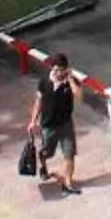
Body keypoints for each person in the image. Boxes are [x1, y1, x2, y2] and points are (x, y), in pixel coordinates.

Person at [35, 56, 80, 192]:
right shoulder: (44, 82)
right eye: (56, 70)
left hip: (66, 124)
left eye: (62, 70)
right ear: (52, 69)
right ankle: (43, 165)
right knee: (47, 153)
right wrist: (33, 121)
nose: (59, 73)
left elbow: (78, 95)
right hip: (49, 125)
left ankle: (68, 183)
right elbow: (38, 103)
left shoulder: (70, 82)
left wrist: (71, 78)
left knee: (69, 154)